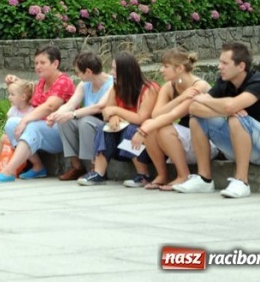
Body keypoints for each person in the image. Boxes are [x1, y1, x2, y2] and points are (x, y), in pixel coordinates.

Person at [174, 42, 260, 198]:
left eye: (225, 63)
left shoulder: (258, 83)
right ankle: (204, 179)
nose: (219, 66)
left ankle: (241, 181)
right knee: (197, 118)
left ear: (241, 66)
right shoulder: (225, 83)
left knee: (236, 119)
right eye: (220, 62)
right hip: (242, 146)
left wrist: (211, 102)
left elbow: (230, 107)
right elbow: (193, 107)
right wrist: (221, 106)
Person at [131, 48, 215, 191]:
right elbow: (156, 114)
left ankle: (183, 175)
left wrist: (142, 131)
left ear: (180, 68)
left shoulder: (198, 86)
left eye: (165, 66)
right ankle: (163, 175)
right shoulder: (170, 86)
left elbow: (173, 115)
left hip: (206, 143)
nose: (161, 70)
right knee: (151, 124)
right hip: (186, 139)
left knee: (157, 127)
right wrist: (181, 98)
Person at [0, 46, 75, 183]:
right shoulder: (42, 82)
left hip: (62, 134)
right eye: (36, 63)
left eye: (42, 63)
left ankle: (9, 171)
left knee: (31, 126)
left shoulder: (63, 82)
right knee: (12, 124)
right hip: (44, 130)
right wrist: (16, 82)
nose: (38, 67)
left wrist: (25, 120)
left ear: (55, 64)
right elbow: (29, 95)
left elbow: (50, 106)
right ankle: (38, 166)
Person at [77, 52, 159, 186]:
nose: (111, 72)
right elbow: (106, 112)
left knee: (131, 130)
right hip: (120, 141)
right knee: (103, 128)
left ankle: (144, 174)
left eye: (115, 69)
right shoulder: (117, 87)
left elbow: (140, 118)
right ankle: (98, 173)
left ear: (126, 71)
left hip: (145, 138)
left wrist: (116, 111)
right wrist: (113, 116)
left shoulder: (149, 89)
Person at [46, 52, 114, 181]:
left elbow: (99, 107)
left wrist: (72, 115)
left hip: (105, 123)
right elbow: (71, 104)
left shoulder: (111, 84)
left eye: (78, 72)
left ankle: (95, 168)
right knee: (64, 122)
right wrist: (56, 115)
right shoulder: (84, 85)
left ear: (88, 71)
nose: (76, 75)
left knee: (85, 121)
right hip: (88, 120)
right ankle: (77, 166)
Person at [0, 78, 44, 177]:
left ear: (23, 97)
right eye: (9, 94)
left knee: (24, 140)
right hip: (15, 139)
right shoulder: (12, 111)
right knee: (3, 138)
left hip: (28, 140)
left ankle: (30, 165)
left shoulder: (32, 111)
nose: (9, 97)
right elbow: (9, 130)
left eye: (12, 95)